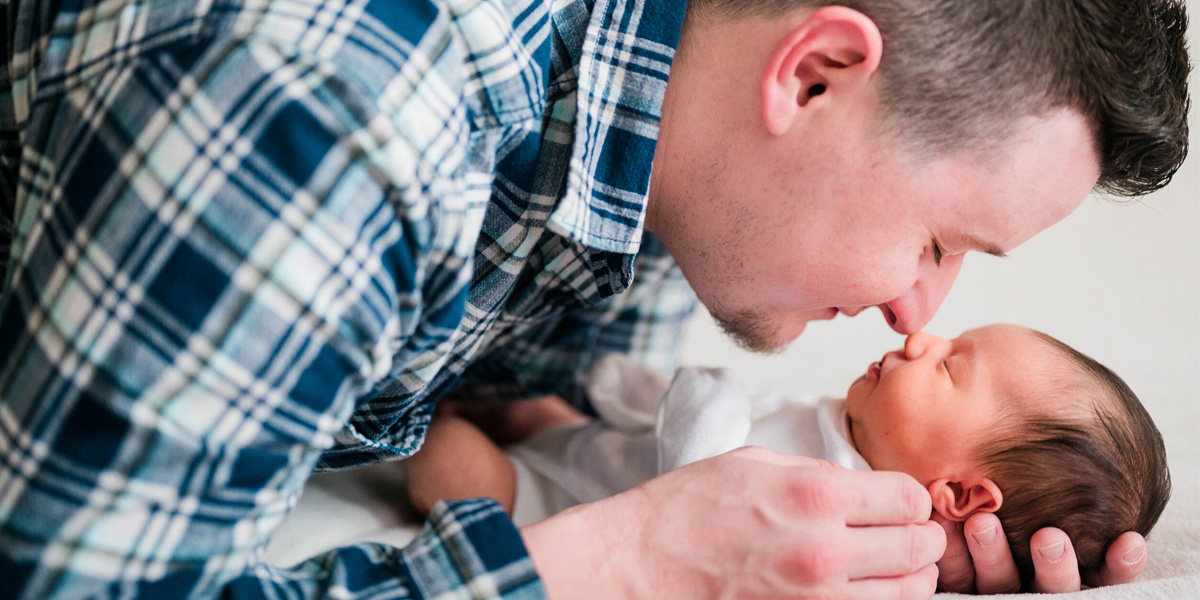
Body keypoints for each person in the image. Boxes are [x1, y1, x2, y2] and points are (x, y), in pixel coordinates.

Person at [0, 0, 1189, 598]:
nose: (914, 312)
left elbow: (532, 414)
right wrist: (620, 559)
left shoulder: (683, 173)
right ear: (815, 76)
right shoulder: (333, 111)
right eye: (936, 239)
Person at [405, 325, 1172, 587]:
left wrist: (700, 405)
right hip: (605, 441)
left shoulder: (841, 512)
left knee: (444, 453)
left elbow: (702, 483)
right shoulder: (844, 421)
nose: (918, 337)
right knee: (532, 399)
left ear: (963, 498)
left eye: (947, 365)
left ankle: (419, 409)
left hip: (553, 503)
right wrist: (634, 393)